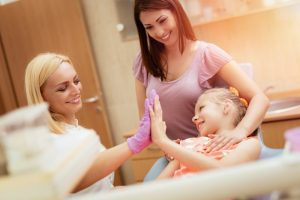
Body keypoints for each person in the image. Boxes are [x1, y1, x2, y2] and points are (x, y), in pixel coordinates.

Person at [132, 0, 269, 179]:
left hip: (216, 152)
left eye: (163, 20)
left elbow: (259, 98)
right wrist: (169, 147)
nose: (159, 32)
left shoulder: (207, 54)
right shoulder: (143, 63)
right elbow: (146, 121)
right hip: (179, 156)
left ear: (177, 12)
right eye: (149, 27)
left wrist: (241, 130)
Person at [24, 53, 156, 195]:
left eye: (76, 81)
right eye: (62, 88)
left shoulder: (78, 131)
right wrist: (135, 143)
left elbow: (104, 189)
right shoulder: (47, 140)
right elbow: (75, 179)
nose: (76, 91)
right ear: (42, 97)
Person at [150, 88, 261, 179]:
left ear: (226, 107)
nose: (194, 118)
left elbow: (224, 173)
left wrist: (164, 142)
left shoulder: (249, 144)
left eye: (201, 108)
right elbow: (157, 189)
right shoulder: (188, 146)